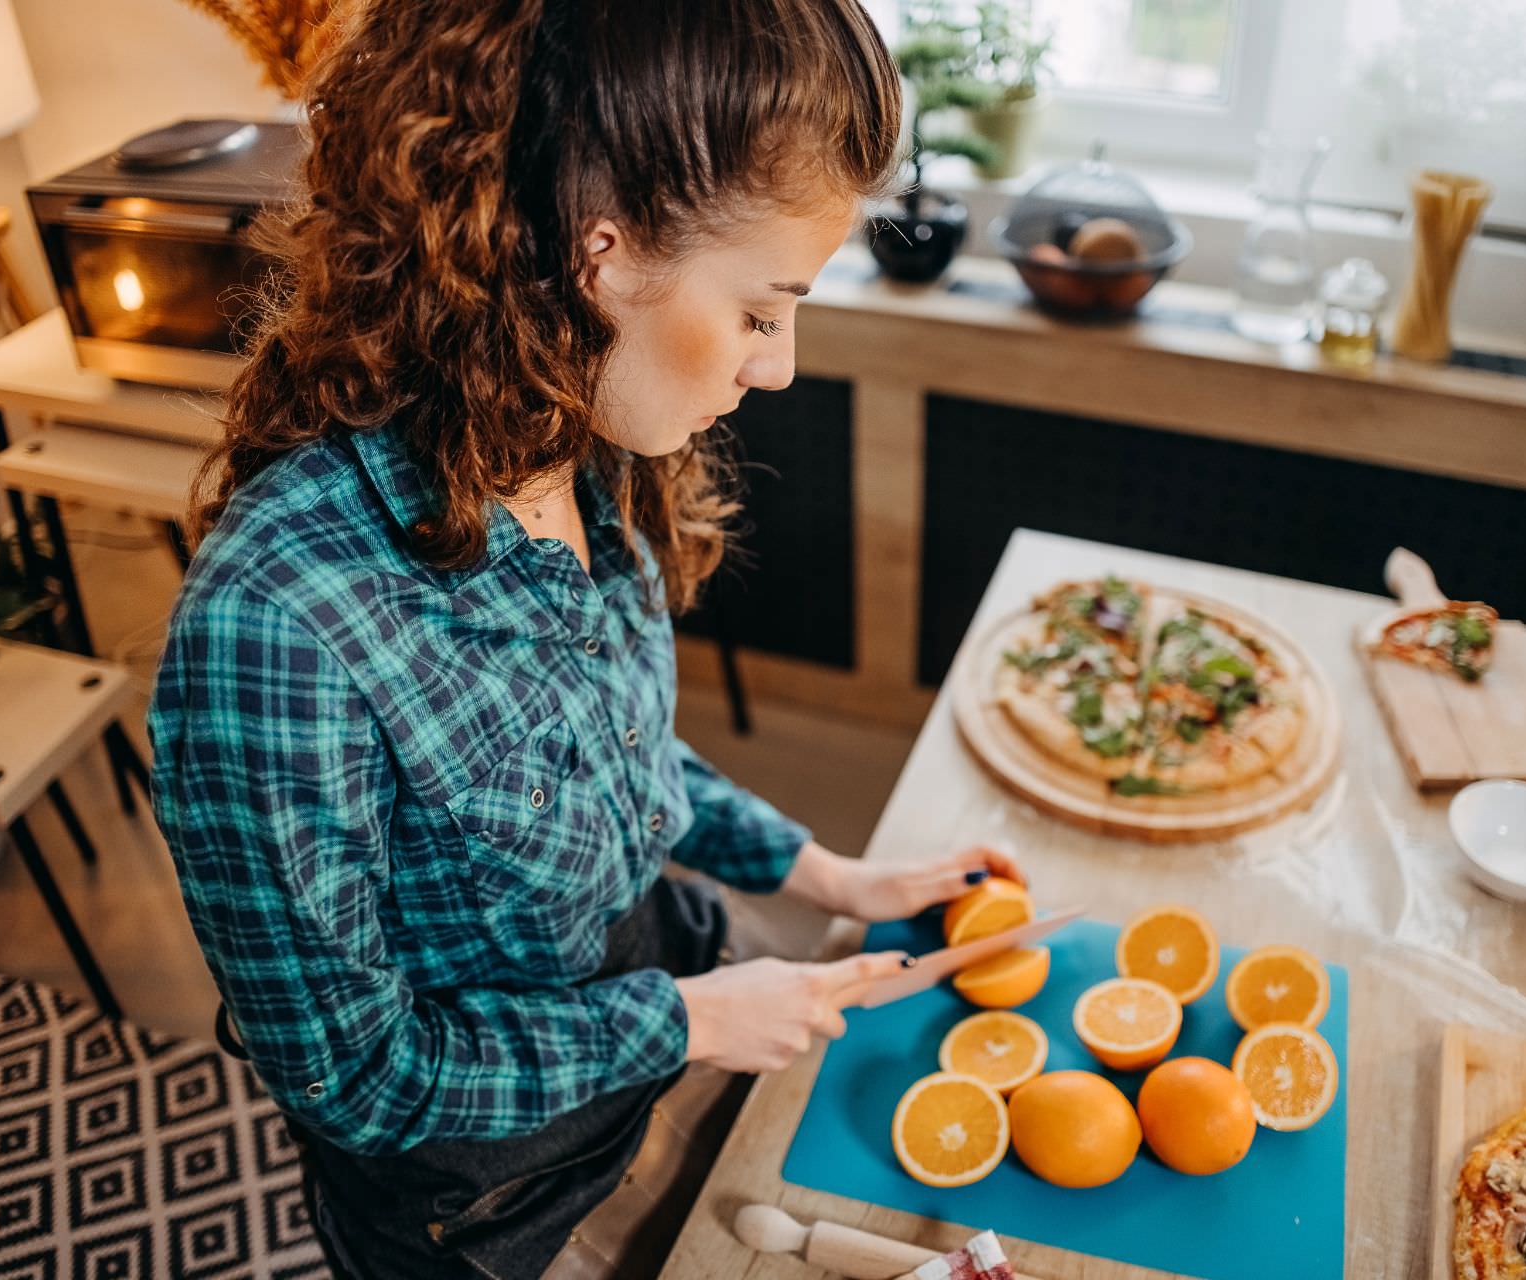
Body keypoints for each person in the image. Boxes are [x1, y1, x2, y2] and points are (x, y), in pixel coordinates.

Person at [144, 1, 1026, 1275]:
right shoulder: (277, 630)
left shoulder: (572, 431)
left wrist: (827, 873)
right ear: (599, 256)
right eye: (764, 310)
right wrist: (684, 1019)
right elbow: (361, 1075)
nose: (777, 366)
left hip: (662, 1001)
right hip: (494, 1205)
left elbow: (610, 755)